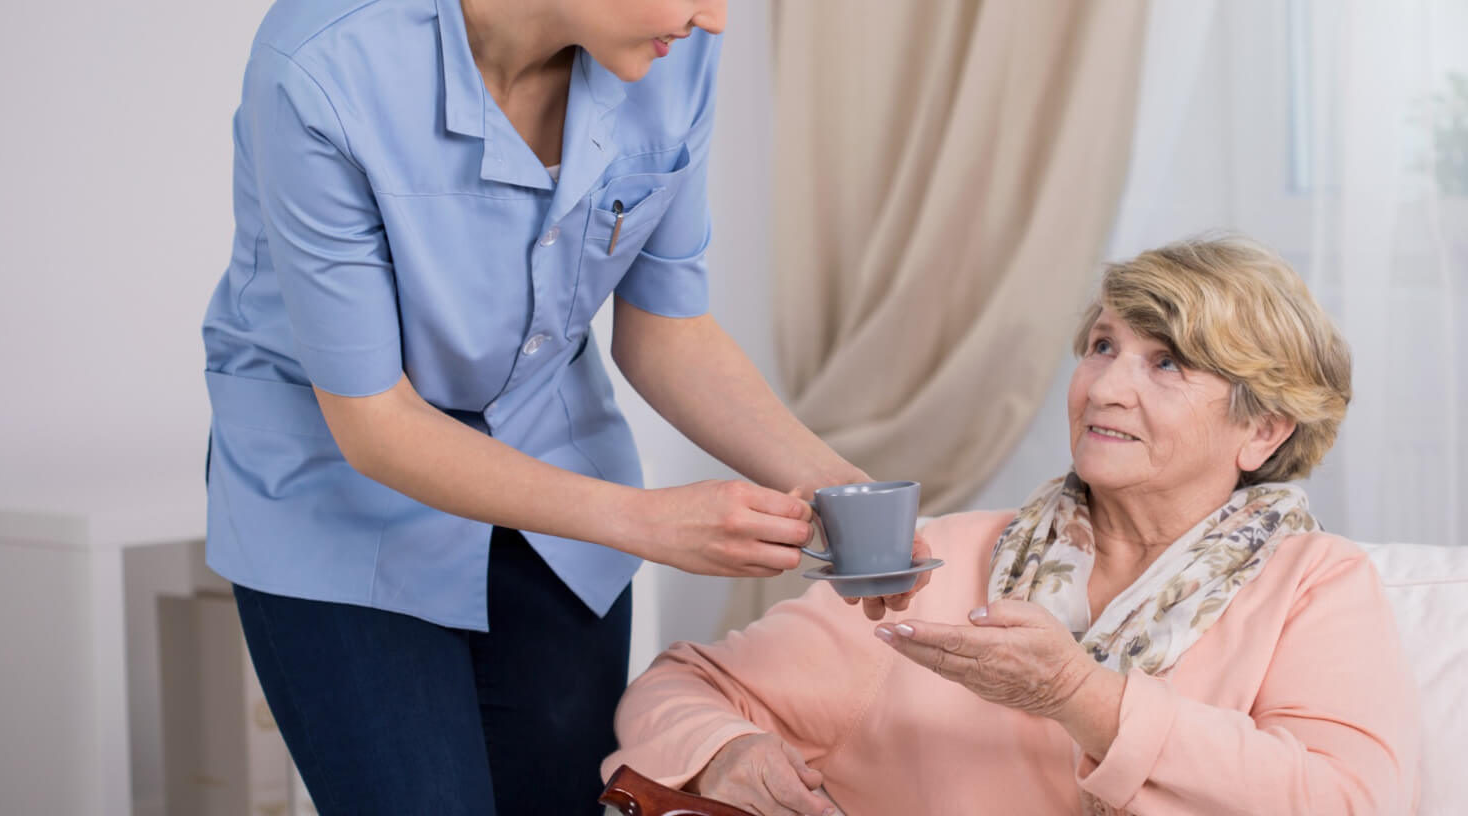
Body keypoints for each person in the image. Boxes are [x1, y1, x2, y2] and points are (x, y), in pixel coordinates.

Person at [199, 0, 924, 812]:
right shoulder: (326, 66)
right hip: (345, 507)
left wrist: (850, 499)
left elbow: (668, 331)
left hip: (556, 493)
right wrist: (646, 521)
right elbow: (376, 425)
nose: (715, 17)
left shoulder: (672, 55)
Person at [605, 236, 1422, 816]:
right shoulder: (945, 559)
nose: (1104, 388)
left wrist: (1079, 697)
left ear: (1263, 431)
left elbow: (1347, 801)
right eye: (1101, 346)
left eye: (1166, 362)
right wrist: (727, 752)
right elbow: (681, 686)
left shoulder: (1313, 584)